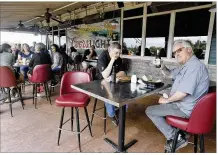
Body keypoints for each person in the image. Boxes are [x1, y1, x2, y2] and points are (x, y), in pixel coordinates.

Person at [145, 40, 209, 151]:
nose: (176, 54)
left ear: (189, 49)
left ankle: (176, 137)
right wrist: (162, 67)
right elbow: (170, 74)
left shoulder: (194, 67)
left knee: (150, 110)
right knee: (161, 105)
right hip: (185, 105)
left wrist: (167, 100)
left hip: (185, 109)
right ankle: (181, 132)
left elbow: (182, 94)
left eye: (179, 50)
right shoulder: (186, 65)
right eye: (174, 52)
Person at [95, 42, 126, 126]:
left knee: (126, 96)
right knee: (109, 96)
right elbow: (104, 75)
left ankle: (121, 112)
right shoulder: (103, 57)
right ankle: (112, 115)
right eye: (116, 53)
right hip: (99, 82)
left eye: (119, 53)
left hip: (113, 81)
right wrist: (112, 60)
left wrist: (112, 77)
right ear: (110, 50)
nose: (118, 55)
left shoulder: (118, 58)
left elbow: (123, 72)